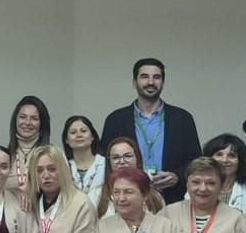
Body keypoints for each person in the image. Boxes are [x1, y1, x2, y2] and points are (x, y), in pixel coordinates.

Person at [100, 57, 201, 204]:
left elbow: (195, 160)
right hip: (127, 199)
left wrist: (177, 176)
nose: (151, 82)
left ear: (163, 83)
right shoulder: (115, 120)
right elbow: (105, 162)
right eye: (144, 77)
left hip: (172, 199)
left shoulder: (182, 119)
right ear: (134, 82)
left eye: (157, 77)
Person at [95, 135, 165, 218]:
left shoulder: (155, 196)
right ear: (109, 162)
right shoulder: (97, 195)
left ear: (137, 158)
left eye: (127, 156)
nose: (122, 161)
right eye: (116, 157)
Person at [6, 96, 53, 205]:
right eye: (23, 117)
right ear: (15, 120)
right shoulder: (5, 156)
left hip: (44, 218)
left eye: (34, 118)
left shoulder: (52, 156)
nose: (27, 122)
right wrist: (13, 192)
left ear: (42, 123)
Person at [204, 133, 246, 214]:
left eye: (231, 156)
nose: (224, 160)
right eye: (219, 154)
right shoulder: (197, 187)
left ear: (241, 161)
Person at [63, 115, 104, 198]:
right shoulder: (63, 166)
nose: (79, 135)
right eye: (73, 132)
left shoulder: (106, 165)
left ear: (93, 137)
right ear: (66, 140)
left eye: (83, 131)